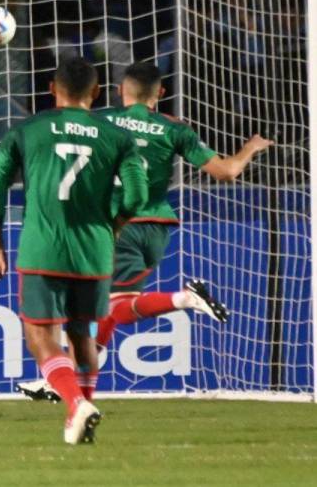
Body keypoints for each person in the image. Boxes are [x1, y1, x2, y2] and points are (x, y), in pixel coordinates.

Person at [0, 57, 148, 444]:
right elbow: (138, 195)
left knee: (40, 336)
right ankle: (80, 416)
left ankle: (75, 406)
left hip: (43, 248)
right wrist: (113, 225)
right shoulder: (117, 136)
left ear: (52, 89)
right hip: (94, 251)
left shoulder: (29, 129)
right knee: (82, 337)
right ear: (97, 92)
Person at [93, 62, 273, 348]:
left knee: (117, 307)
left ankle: (186, 298)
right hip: (157, 230)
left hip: (117, 225)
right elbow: (227, 172)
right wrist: (250, 147)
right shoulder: (175, 128)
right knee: (108, 303)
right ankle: (72, 379)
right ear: (160, 92)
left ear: (118, 91)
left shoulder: (98, 121)